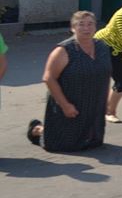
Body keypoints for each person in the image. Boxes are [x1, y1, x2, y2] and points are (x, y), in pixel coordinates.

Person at [27, 11, 111, 151]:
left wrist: (106, 100)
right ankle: (37, 129)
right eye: (81, 24)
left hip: (94, 102)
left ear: (95, 27)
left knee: (93, 142)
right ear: (73, 28)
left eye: (90, 24)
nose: (86, 28)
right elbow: (48, 78)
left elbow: (105, 75)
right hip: (69, 101)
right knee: (61, 145)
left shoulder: (102, 47)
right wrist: (65, 105)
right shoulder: (64, 50)